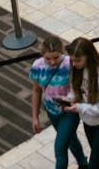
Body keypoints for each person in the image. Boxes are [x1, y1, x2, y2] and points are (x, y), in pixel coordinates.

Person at [29, 35, 87, 169]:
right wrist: (35, 117)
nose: (52, 62)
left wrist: (72, 99)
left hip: (69, 112)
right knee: (71, 139)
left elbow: (80, 88)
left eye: (56, 57)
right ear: (42, 54)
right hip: (51, 111)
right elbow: (36, 91)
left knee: (60, 148)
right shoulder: (37, 66)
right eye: (48, 58)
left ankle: (82, 164)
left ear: (62, 52)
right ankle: (83, 164)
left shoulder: (70, 64)